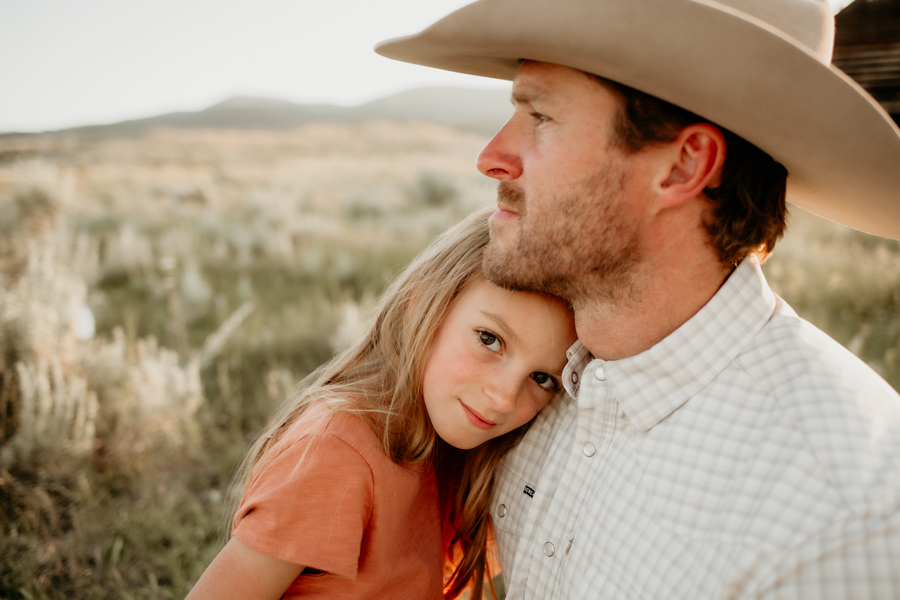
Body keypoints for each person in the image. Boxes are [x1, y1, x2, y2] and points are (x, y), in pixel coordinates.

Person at [376, 0, 900, 597]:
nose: (491, 156)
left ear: (683, 166)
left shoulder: (838, 522)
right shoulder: (536, 377)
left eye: (540, 117)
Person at [186, 207, 577, 600]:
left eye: (542, 378)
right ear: (423, 302)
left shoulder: (460, 457)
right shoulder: (339, 452)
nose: (505, 398)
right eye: (489, 339)